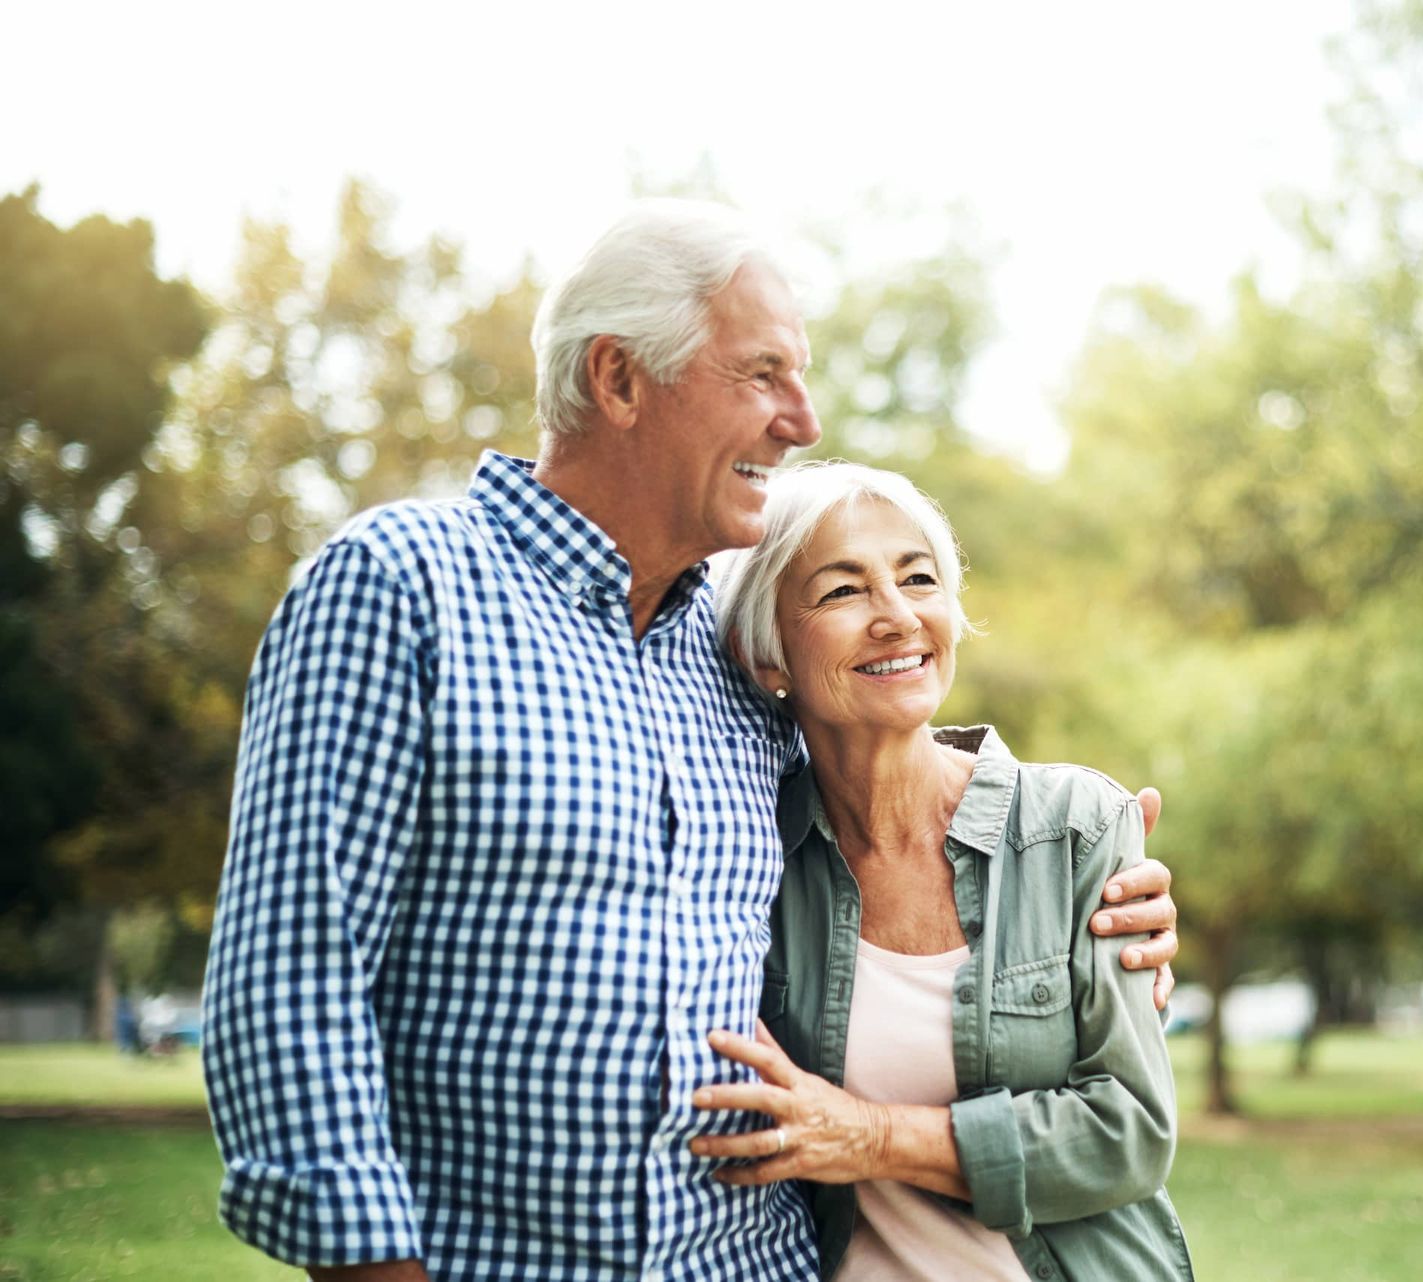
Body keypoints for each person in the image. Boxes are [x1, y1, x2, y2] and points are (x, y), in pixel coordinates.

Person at [202, 199, 1179, 1282]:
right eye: (761, 375)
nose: (802, 420)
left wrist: (1077, 884)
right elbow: (293, 982)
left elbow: (888, 790)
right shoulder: (402, 585)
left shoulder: (722, 640)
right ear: (619, 379)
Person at [693, 462, 1192, 1281]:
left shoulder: (1076, 826)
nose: (897, 617)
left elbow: (1128, 1133)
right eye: (843, 591)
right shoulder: (748, 853)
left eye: (919, 579)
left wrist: (869, 1135)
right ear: (766, 652)